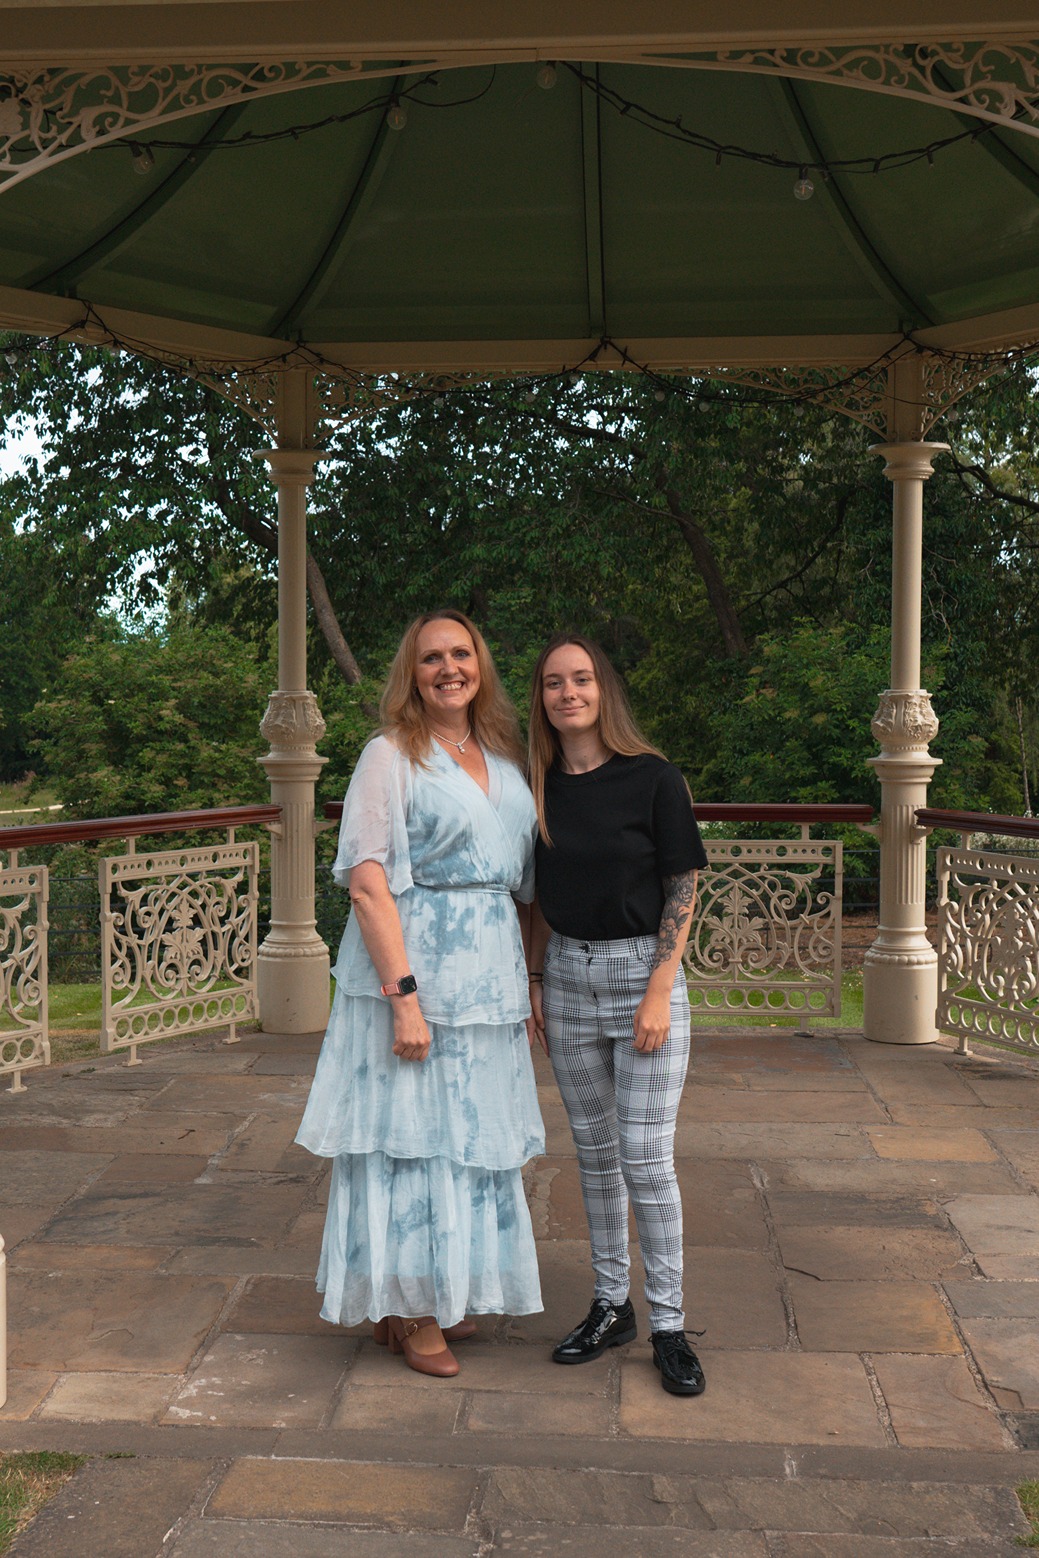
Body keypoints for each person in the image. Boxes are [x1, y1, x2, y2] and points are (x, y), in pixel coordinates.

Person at [296, 609, 544, 1378]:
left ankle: (431, 1289)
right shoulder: (389, 755)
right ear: (411, 673)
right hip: (416, 972)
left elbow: (526, 885)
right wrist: (403, 997)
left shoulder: (504, 758)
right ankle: (410, 1308)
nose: (448, 669)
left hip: (490, 980)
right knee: (409, 1142)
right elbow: (366, 882)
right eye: (431, 657)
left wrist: (529, 979)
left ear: (480, 666)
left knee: (468, 1141)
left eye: (461, 654)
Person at [526, 634, 708, 1396]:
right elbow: (533, 895)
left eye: (581, 679)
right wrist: (535, 977)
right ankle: (611, 1305)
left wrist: (659, 989)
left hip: (642, 976)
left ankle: (668, 1325)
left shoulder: (652, 777)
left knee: (645, 1159)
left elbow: (683, 885)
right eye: (553, 682)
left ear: (603, 690)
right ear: (540, 698)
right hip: (567, 977)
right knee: (595, 1156)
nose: (567, 693)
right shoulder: (535, 788)